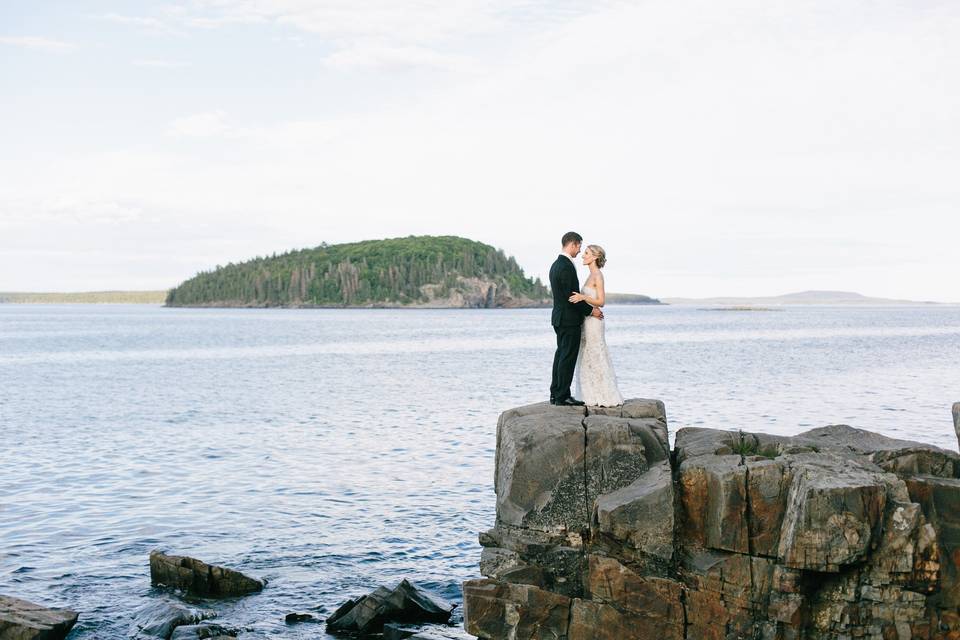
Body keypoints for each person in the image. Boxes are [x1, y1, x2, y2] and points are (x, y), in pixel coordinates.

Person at [549, 231, 603, 406]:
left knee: (561, 355)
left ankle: (556, 393)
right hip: (568, 319)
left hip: (560, 318)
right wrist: (591, 311)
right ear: (572, 244)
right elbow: (571, 298)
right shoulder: (565, 266)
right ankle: (562, 395)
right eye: (579, 246)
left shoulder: (556, 264)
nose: (580, 251)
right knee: (567, 357)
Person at [569, 244, 623, 407]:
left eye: (586, 253)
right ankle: (588, 393)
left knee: (595, 352)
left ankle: (604, 393)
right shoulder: (589, 275)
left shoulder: (597, 275)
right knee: (586, 353)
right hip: (587, 320)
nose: (583, 256)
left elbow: (601, 301)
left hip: (594, 322)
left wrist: (582, 297)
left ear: (594, 257)